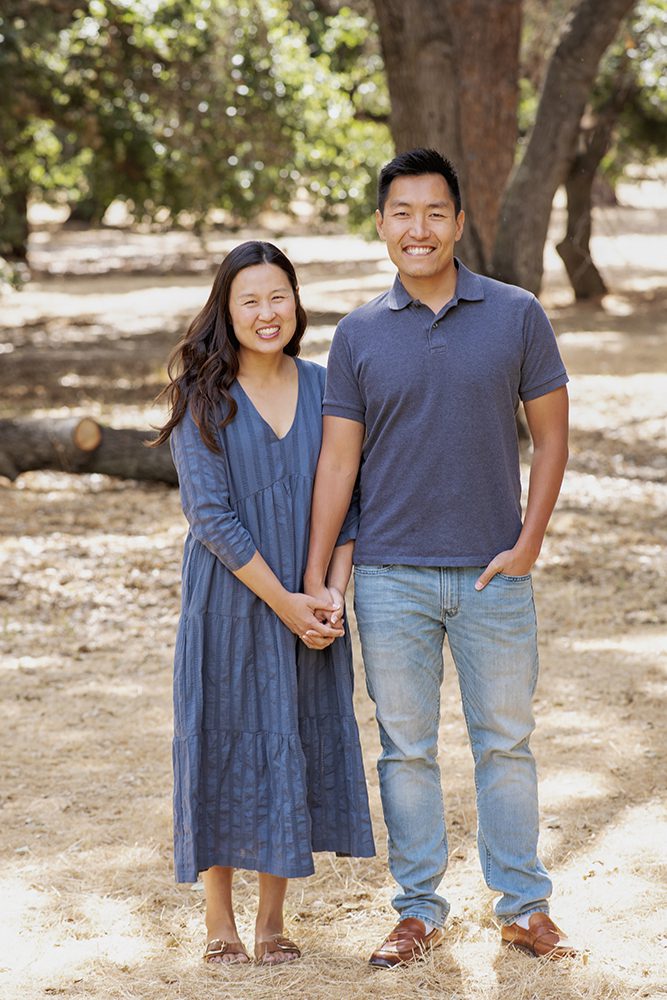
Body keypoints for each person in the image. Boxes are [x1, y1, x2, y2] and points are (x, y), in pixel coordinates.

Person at [304, 148, 576, 967]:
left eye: (433, 213)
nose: (416, 228)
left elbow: (552, 434)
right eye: (400, 213)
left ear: (458, 223)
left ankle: (523, 908)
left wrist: (528, 542)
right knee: (405, 749)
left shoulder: (517, 313)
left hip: (493, 574)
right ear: (382, 225)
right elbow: (337, 464)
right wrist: (320, 578)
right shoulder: (355, 335)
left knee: (504, 744)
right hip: (388, 576)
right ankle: (417, 911)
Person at [153, 240, 374, 966]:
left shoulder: (326, 387)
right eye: (248, 300)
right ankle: (219, 921)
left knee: (291, 742)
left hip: (309, 601)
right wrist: (284, 601)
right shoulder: (201, 396)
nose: (265, 312)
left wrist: (329, 594)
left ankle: (273, 920)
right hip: (231, 599)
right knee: (222, 741)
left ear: (296, 301)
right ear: (226, 309)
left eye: (277, 295)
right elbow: (210, 517)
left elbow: (349, 502)